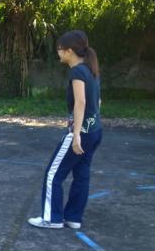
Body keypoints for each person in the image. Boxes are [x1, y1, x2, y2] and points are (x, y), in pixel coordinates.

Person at [28, 30, 102, 229]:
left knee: (53, 174)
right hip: (95, 131)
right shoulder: (91, 69)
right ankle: (73, 218)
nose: (58, 53)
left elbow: (81, 102)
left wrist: (76, 134)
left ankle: (51, 219)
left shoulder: (77, 71)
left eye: (59, 49)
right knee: (81, 174)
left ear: (69, 51)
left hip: (81, 133)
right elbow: (98, 101)